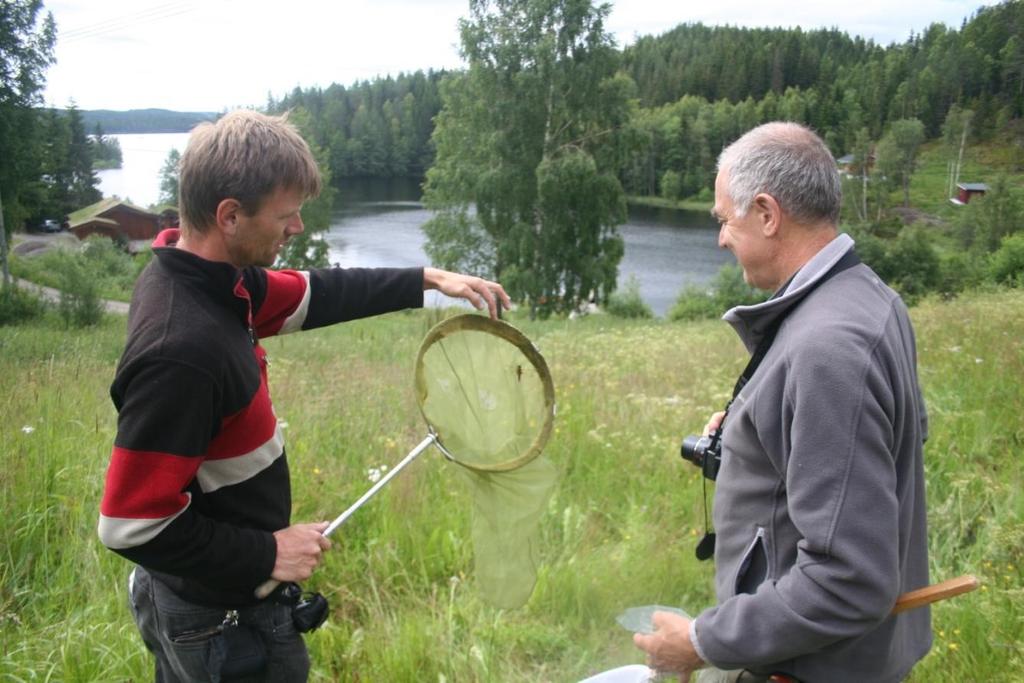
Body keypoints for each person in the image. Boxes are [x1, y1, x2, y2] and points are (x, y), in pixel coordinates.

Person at [97, 110, 510, 682]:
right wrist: (268, 554)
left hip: (211, 603)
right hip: (220, 622)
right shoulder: (183, 348)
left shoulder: (208, 277)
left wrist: (427, 279)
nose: (296, 228)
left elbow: (315, 292)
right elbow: (130, 525)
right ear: (230, 216)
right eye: (286, 215)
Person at [633, 122, 931, 682]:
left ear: (767, 214)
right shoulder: (868, 297)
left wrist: (702, 641)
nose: (721, 238)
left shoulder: (828, 347)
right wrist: (755, 433)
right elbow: (872, 451)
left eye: (725, 220)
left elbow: (849, 577)